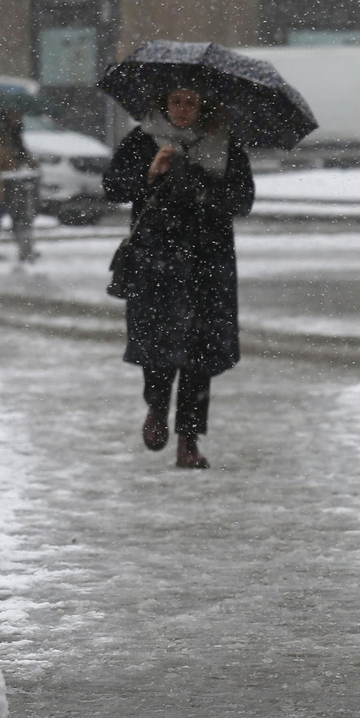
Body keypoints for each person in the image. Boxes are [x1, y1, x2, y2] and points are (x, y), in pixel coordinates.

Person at [102, 85, 255, 469]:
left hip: (208, 261)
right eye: (175, 101)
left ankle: (189, 438)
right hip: (157, 257)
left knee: (200, 353)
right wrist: (150, 173)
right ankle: (156, 407)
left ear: (205, 105)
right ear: (162, 103)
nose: (183, 109)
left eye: (192, 101)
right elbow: (112, 187)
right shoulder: (144, 139)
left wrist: (203, 185)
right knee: (157, 342)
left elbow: (243, 199)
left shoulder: (223, 145)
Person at [0, 110, 38, 261]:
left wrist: (29, 161)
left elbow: (21, 152)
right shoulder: (0, 132)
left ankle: (23, 247)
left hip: (11, 179)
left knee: (14, 215)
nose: (17, 118)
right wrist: (11, 158)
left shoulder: (14, 133)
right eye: (14, 115)